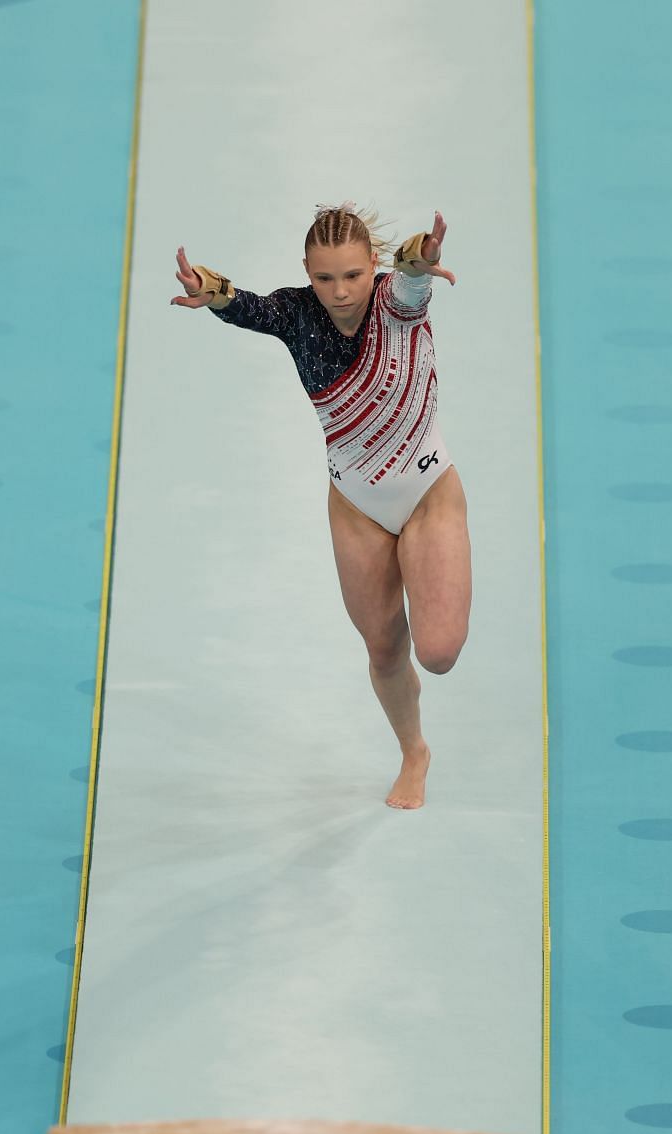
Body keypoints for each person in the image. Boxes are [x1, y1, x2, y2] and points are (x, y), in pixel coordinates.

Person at [170, 204, 471, 810]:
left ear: (374, 268)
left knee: (436, 653)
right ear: (306, 273)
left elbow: (414, 269)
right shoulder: (296, 312)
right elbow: (247, 307)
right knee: (384, 647)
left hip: (425, 494)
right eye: (324, 278)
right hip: (355, 505)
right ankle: (414, 751)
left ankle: (418, 726)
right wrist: (213, 291)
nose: (339, 292)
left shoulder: (398, 302)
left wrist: (423, 255)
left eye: (354, 276)